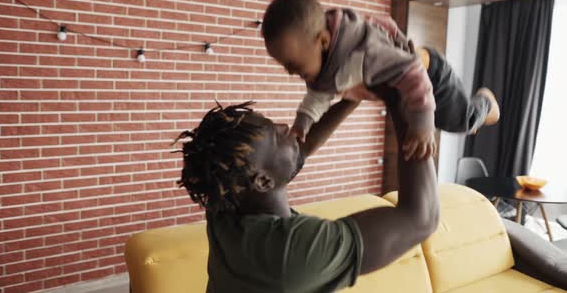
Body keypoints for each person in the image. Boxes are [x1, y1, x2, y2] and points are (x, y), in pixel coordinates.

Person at [174, 94, 440, 292]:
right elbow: (422, 218)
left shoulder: (226, 202)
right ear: (263, 181)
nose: (284, 127)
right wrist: (405, 97)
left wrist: (353, 97)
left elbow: (299, 149)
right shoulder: (288, 251)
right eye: (276, 136)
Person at [261, 0, 500, 161]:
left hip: (428, 75)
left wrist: (423, 122)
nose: (290, 72)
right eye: (284, 66)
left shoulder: (364, 54)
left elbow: (413, 73)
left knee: (459, 122)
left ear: (323, 40)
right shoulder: (323, 65)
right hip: (402, 74)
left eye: (293, 64)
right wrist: (303, 123)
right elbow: (318, 96)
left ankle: (485, 102)